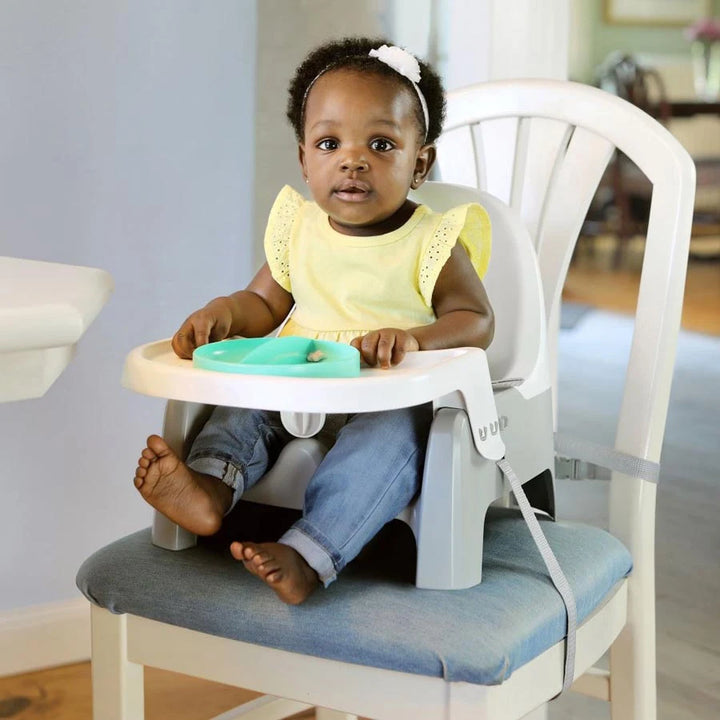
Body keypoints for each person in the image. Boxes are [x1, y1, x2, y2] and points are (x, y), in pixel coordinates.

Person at [133, 37, 495, 605]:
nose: (353, 161)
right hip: (299, 383)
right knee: (242, 402)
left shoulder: (432, 240)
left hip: (385, 399)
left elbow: (475, 319)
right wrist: (222, 315)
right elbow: (263, 305)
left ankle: (309, 554)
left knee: (388, 447)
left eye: (380, 144)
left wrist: (413, 339)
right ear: (305, 158)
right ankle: (208, 486)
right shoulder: (298, 230)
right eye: (330, 143)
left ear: (419, 162)